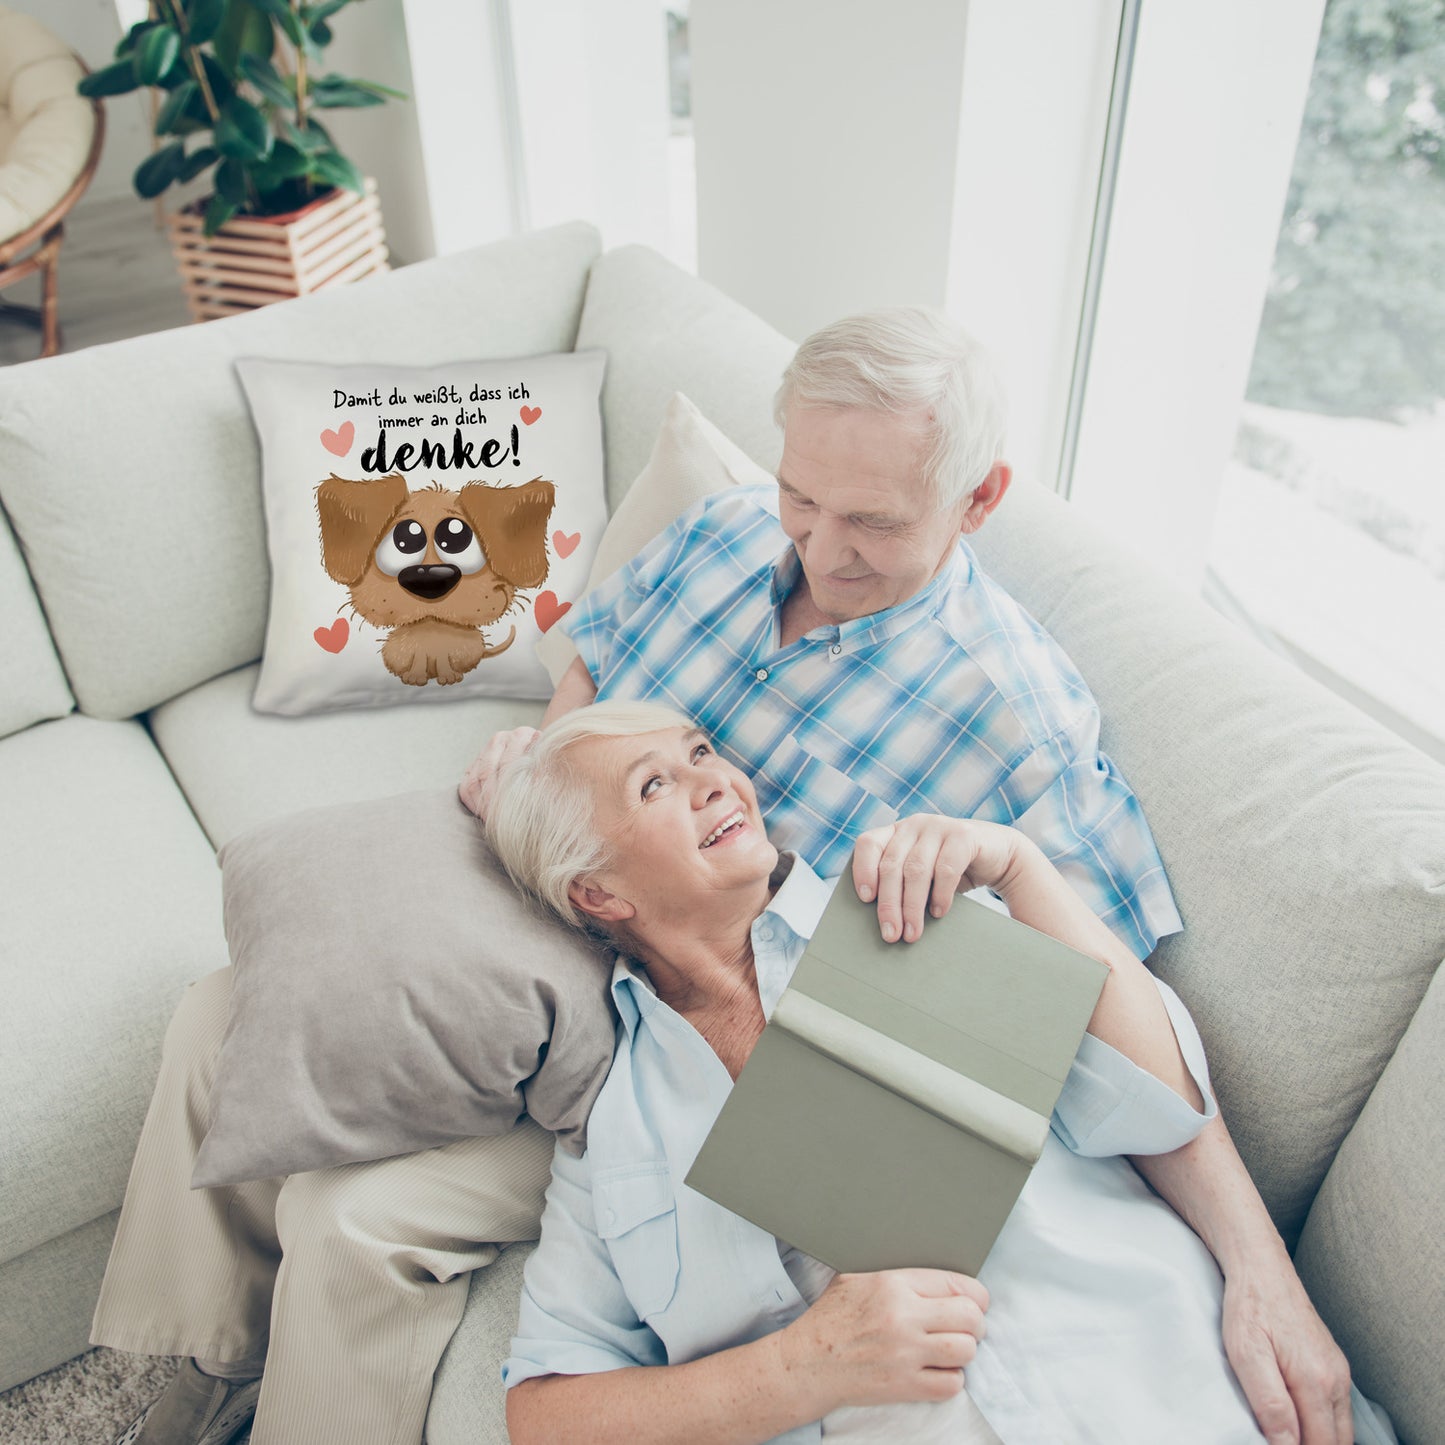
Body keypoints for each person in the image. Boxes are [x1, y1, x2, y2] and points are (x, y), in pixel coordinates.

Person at [94, 309, 1349, 1445]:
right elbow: (594, 666)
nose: (819, 545)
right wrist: (545, 766)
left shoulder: (1017, 725)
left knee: (355, 1218)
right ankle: (194, 1362)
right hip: (580, 886)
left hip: (693, 1011)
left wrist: (1259, 1266)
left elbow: (1102, 1019)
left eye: (871, 520)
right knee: (229, 1007)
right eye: (804, 495)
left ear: (976, 501)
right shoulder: (725, 532)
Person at [486, 700, 1383, 1445]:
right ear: (597, 893)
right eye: (655, 784)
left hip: (1175, 1390)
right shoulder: (614, 1132)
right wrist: (802, 1367)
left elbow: (1158, 1105)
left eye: (700, 752)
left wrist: (1021, 869)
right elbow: (545, 1412)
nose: (714, 779)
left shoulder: (909, 907)